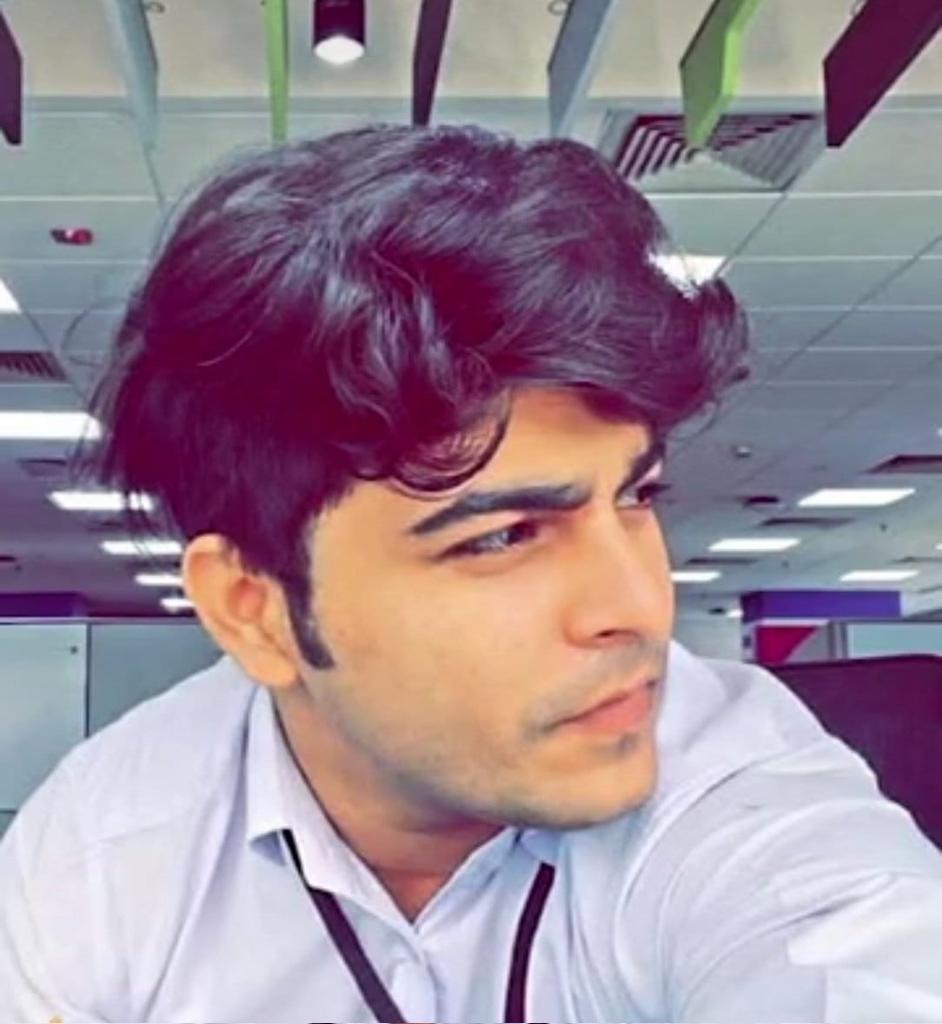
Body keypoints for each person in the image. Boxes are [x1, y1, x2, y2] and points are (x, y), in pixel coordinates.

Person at [1, 124, 940, 1024]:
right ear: (257, 612)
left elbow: (858, 964)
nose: (640, 608)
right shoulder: (105, 855)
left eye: (637, 495)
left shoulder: (739, 800)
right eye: (503, 537)